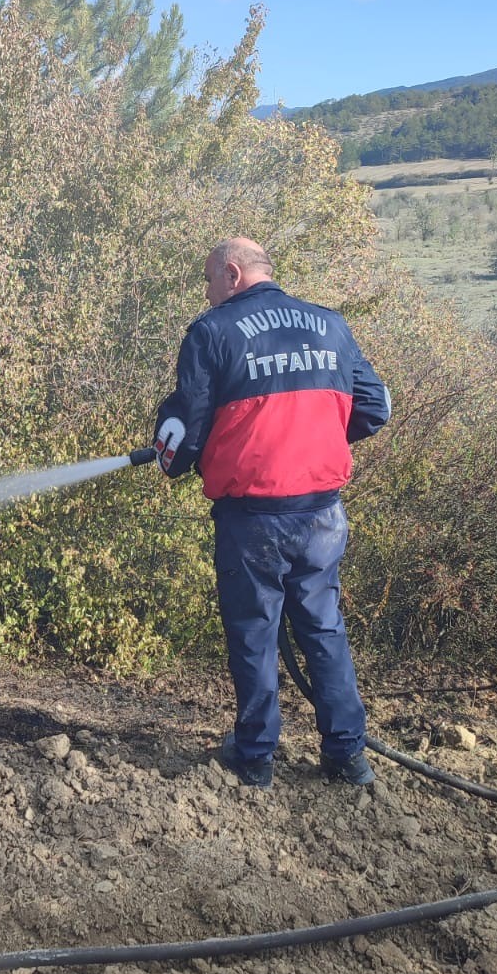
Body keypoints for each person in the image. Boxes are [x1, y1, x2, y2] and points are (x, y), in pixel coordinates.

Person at [153, 237, 390, 788]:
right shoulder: (331, 324)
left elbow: (184, 430)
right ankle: (348, 756)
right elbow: (374, 406)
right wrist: (317, 441)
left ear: (232, 273)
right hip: (322, 514)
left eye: (209, 279)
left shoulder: (212, 332)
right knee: (323, 628)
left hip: (252, 517)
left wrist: (174, 459)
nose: (207, 292)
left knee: (254, 632)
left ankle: (256, 757)